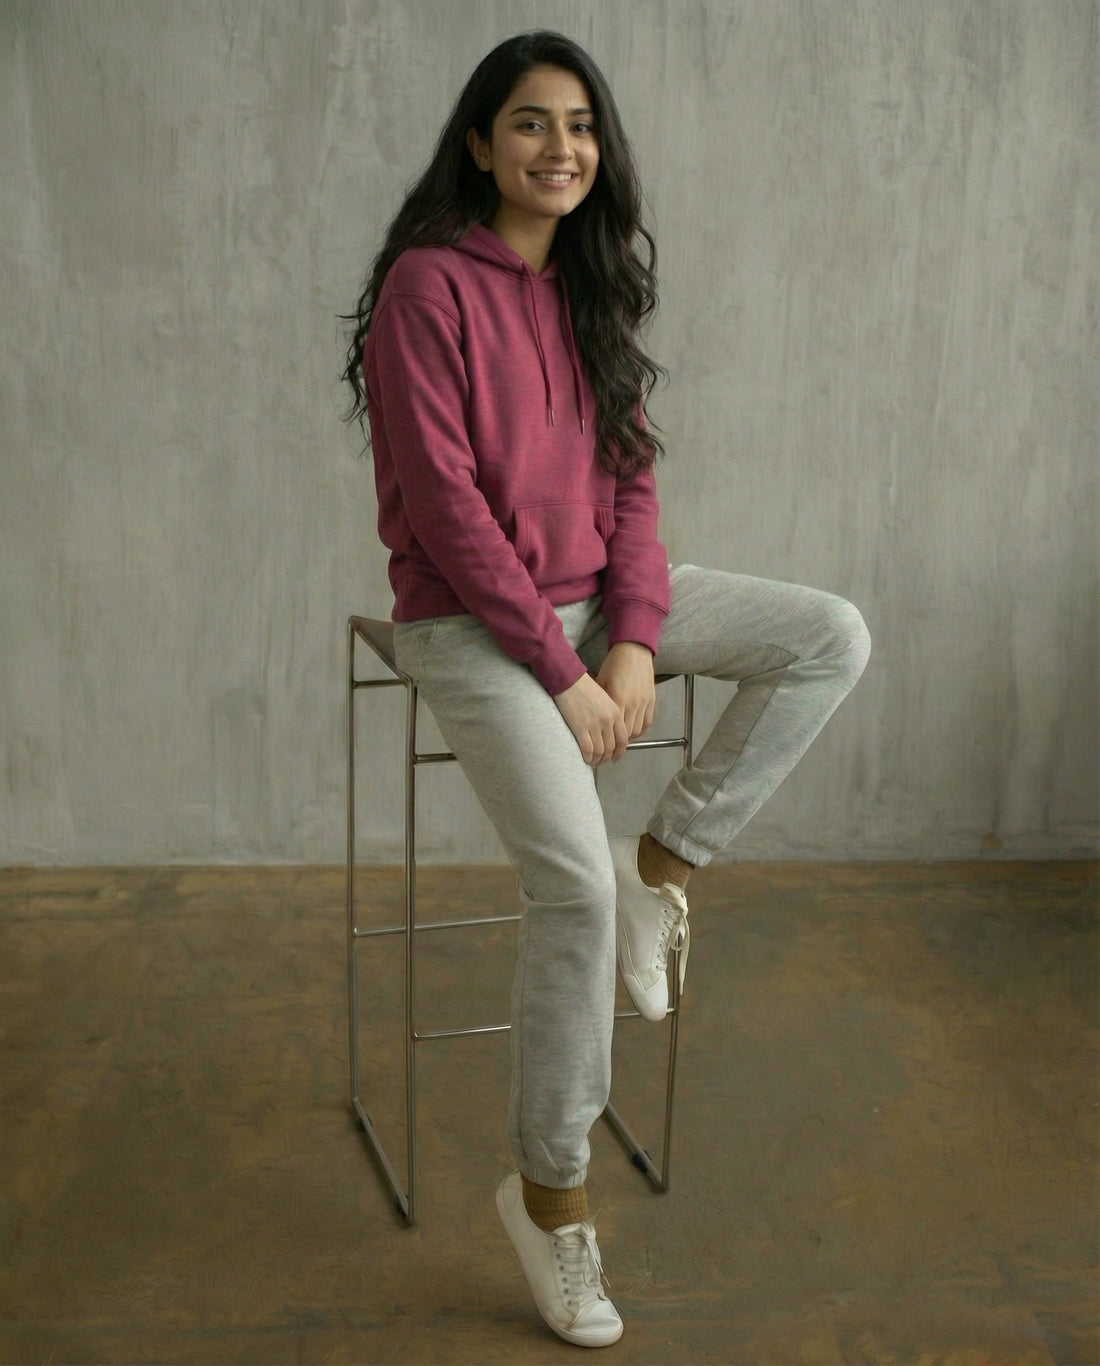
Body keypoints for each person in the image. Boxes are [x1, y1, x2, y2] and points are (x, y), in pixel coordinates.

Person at [344, 29, 870, 1349]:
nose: (560, 147)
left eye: (580, 125)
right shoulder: (426, 288)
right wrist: (562, 667)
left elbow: (634, 488)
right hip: (469, 624)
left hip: (593, 605)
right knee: (566, 891)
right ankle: (551, 1201)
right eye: (531, 122)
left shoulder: (589, 289)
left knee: (829, 634)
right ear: (481, 143)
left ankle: (665, 863)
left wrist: (631, 638)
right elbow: (445, 508)